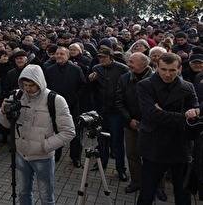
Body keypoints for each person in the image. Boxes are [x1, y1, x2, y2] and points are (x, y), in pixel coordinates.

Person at [0, 64, 75, 205]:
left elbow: (69, 131)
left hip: (43, 157)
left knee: (46, 197)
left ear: (40, 82)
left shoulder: (56, 100)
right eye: (25, 84)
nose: (28, 89)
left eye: (31, 85)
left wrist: (45, 146)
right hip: (21, 154)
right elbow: (6, 124)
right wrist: (4, 112)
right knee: (23, 193)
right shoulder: (17, 95)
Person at [137, 53, 199, 204]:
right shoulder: (145, 85)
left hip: (180, 147)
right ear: (156, 67)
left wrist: (162, 112)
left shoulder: (188, 86)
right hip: (154, 147)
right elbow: (151, 115)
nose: (167, 74)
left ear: (179, 69)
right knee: (147, 192)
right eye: (163, 69)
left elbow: (196, 114)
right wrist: (182, 116)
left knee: (183, 193)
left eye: (172, 70)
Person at [114, 52, 154, 194]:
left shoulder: (155, 78)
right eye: (128, 61)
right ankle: (136, 181)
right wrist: (129, 119)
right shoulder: (124, 78)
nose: (128, 64)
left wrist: (145, 121)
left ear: (144, 64)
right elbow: (119, 101)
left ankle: (156, 185)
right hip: (130, 124)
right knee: (132, 154)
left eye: (132, 61)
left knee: (152, 156)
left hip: (151, 125)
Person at [88, 47, 129, 181]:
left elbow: (127, 88)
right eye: (99, 57)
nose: (101, 59)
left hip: (116, 111)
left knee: (117, 141)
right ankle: (101, 164)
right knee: (101, 139)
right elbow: (91, 89)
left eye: (104, 57)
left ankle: (121, 169)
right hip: (101, 110)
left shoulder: (122, 68)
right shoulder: (96, 68)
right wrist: (91, 80)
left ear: (111, 57)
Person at [44, 46, 86, 167]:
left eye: (62, 54)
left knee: (74, 133)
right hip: (54, 106)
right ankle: (56, 154)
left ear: (68, 56)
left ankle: (75, 157)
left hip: (72, 106)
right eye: (57, 54)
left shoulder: (76, 69)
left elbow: (83, 86)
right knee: (55, 131)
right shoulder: (49, 69)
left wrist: (75, 98)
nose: (59, 56)